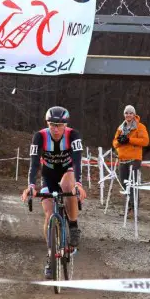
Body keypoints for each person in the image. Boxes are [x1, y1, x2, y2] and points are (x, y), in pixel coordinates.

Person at [21, 106, 87, 279]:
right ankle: (51, 255)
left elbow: (78, 161)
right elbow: (34, 163)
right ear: (47, 124)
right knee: (49, 214)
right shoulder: (39, 136)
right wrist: (30, 186)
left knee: (68, 186)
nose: (56, 129)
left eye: (59, 125)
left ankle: (73, 227)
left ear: (65, 125)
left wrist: (79, 184)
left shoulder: (73, 135)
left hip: (68, 171)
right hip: (48, 175)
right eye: (52, 125)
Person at [112, 105, 149, 215]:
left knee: (133, 184)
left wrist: (129, 140)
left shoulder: (140, 126)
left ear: (134, 115)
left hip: (134, 159)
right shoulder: (120, 128)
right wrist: (120, 141)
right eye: (126, 113)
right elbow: (114, 143)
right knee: (124, 184)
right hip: (122, 159)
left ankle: (133, 208)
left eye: (130, 113)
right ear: (124, 114)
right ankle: (129, 207)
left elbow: (145, 141)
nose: (128, 115)